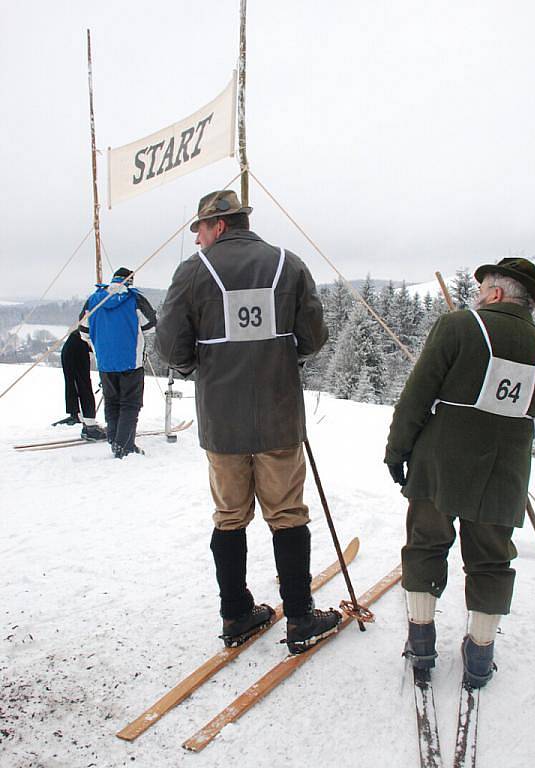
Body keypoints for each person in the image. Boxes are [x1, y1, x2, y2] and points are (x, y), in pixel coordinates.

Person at [155, 189, 341, 653]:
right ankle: (299, 618)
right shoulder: (289, 263)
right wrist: (278, 356)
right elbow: (313, 338)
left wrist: (201, 365)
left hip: (222, 420)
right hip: (279, 413)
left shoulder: (193, 271)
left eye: (199, 229)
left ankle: (236, 613)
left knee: (230, 515)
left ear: (217, 225)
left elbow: (171, 347)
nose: (197, 239)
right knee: (287, 514)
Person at [385, 257, 535, 688]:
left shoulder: (457, 326)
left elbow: (416, 398)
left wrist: (397, 450)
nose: (479, 293)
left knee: (425, 546)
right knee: (491, 561)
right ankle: (480, 657)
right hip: (503, 473)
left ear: (497, 293)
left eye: (483, 287)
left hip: (438, 466)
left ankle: (421, 642)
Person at [80, 267, 157, 458]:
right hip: (130, 361)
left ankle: (114, 440)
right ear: (129, 281)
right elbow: (150, 326)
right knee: (130, 404)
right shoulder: (134, 299)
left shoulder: (94, 299)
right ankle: (125, 446)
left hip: (105, 361)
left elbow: (83, 331)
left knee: (112, 402)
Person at [52, 329, 106, 440]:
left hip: (74, 346)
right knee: (83, 386)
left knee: (76, 385)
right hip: (78, 348)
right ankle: (89, 425)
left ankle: (80, 416)